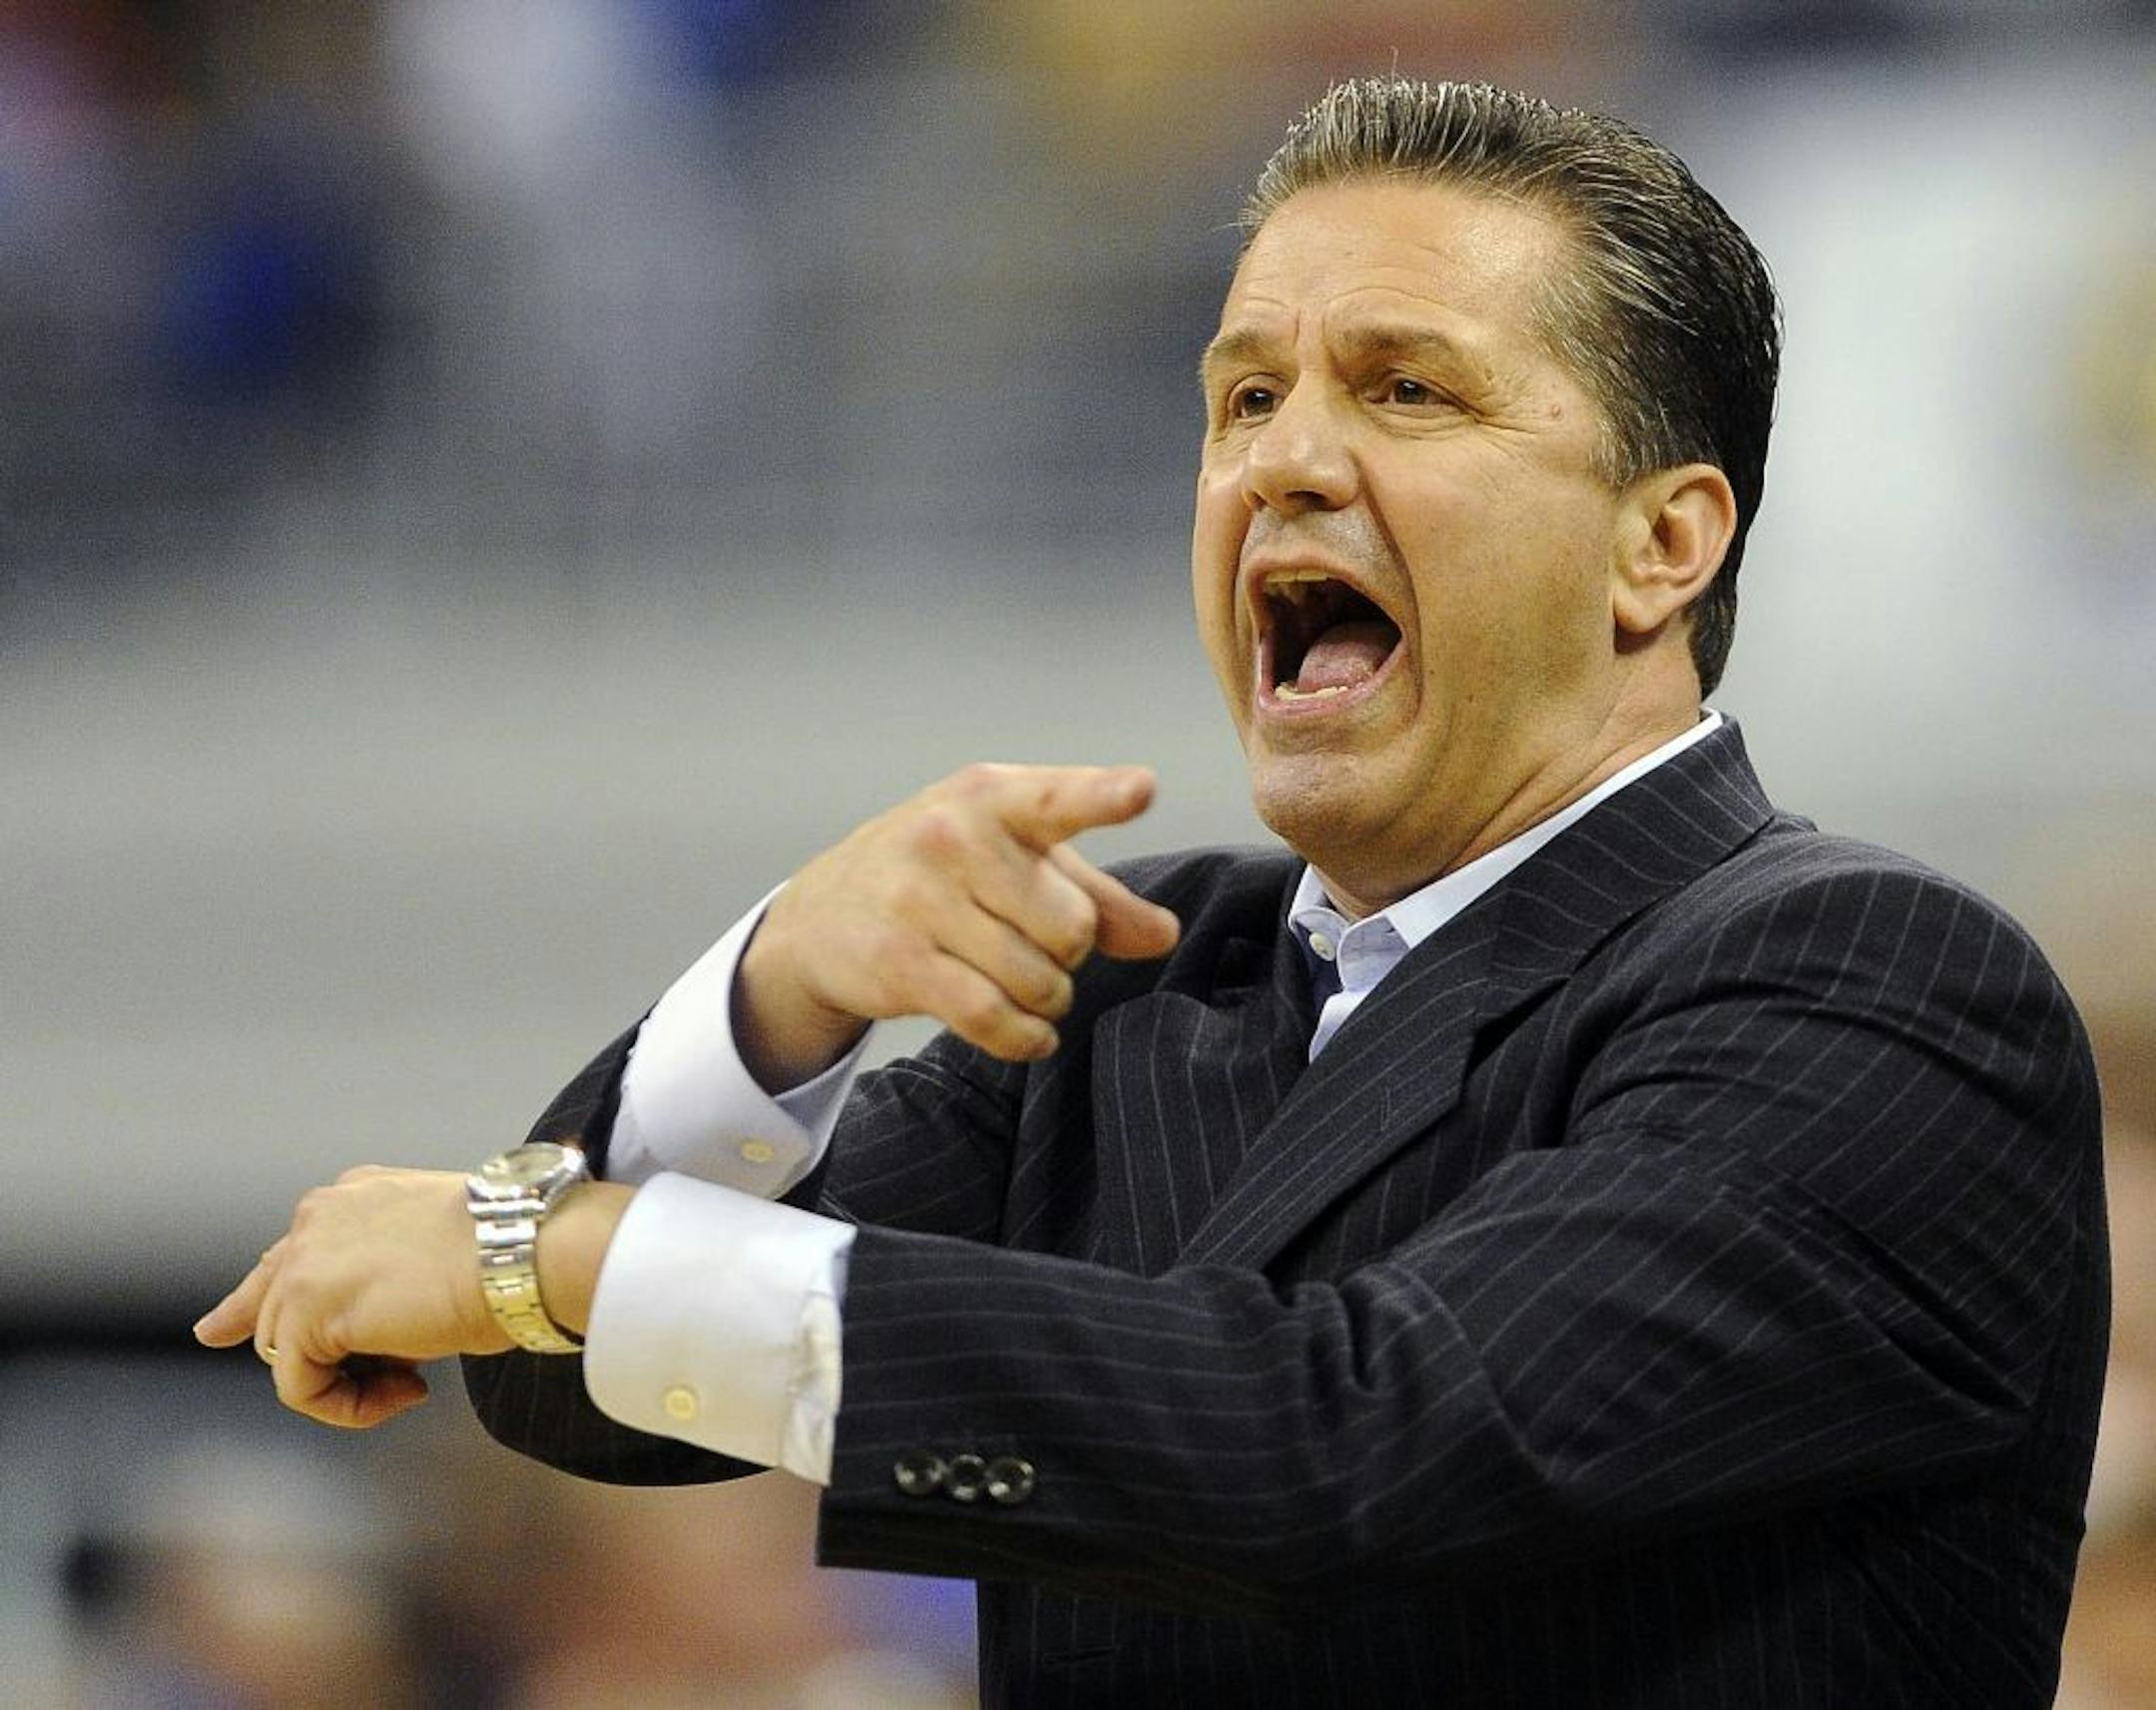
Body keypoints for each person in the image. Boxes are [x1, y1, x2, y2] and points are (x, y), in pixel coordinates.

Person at [198, 77, 2109, 1706]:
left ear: (1662, 542)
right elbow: (587, 1407)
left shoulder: (1871, 987)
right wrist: (776, 994)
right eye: (1242, 396)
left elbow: (1342, 1447)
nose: (1283, 461)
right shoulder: (1139, 984)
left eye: (1408, 390)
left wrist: (548, 1245)